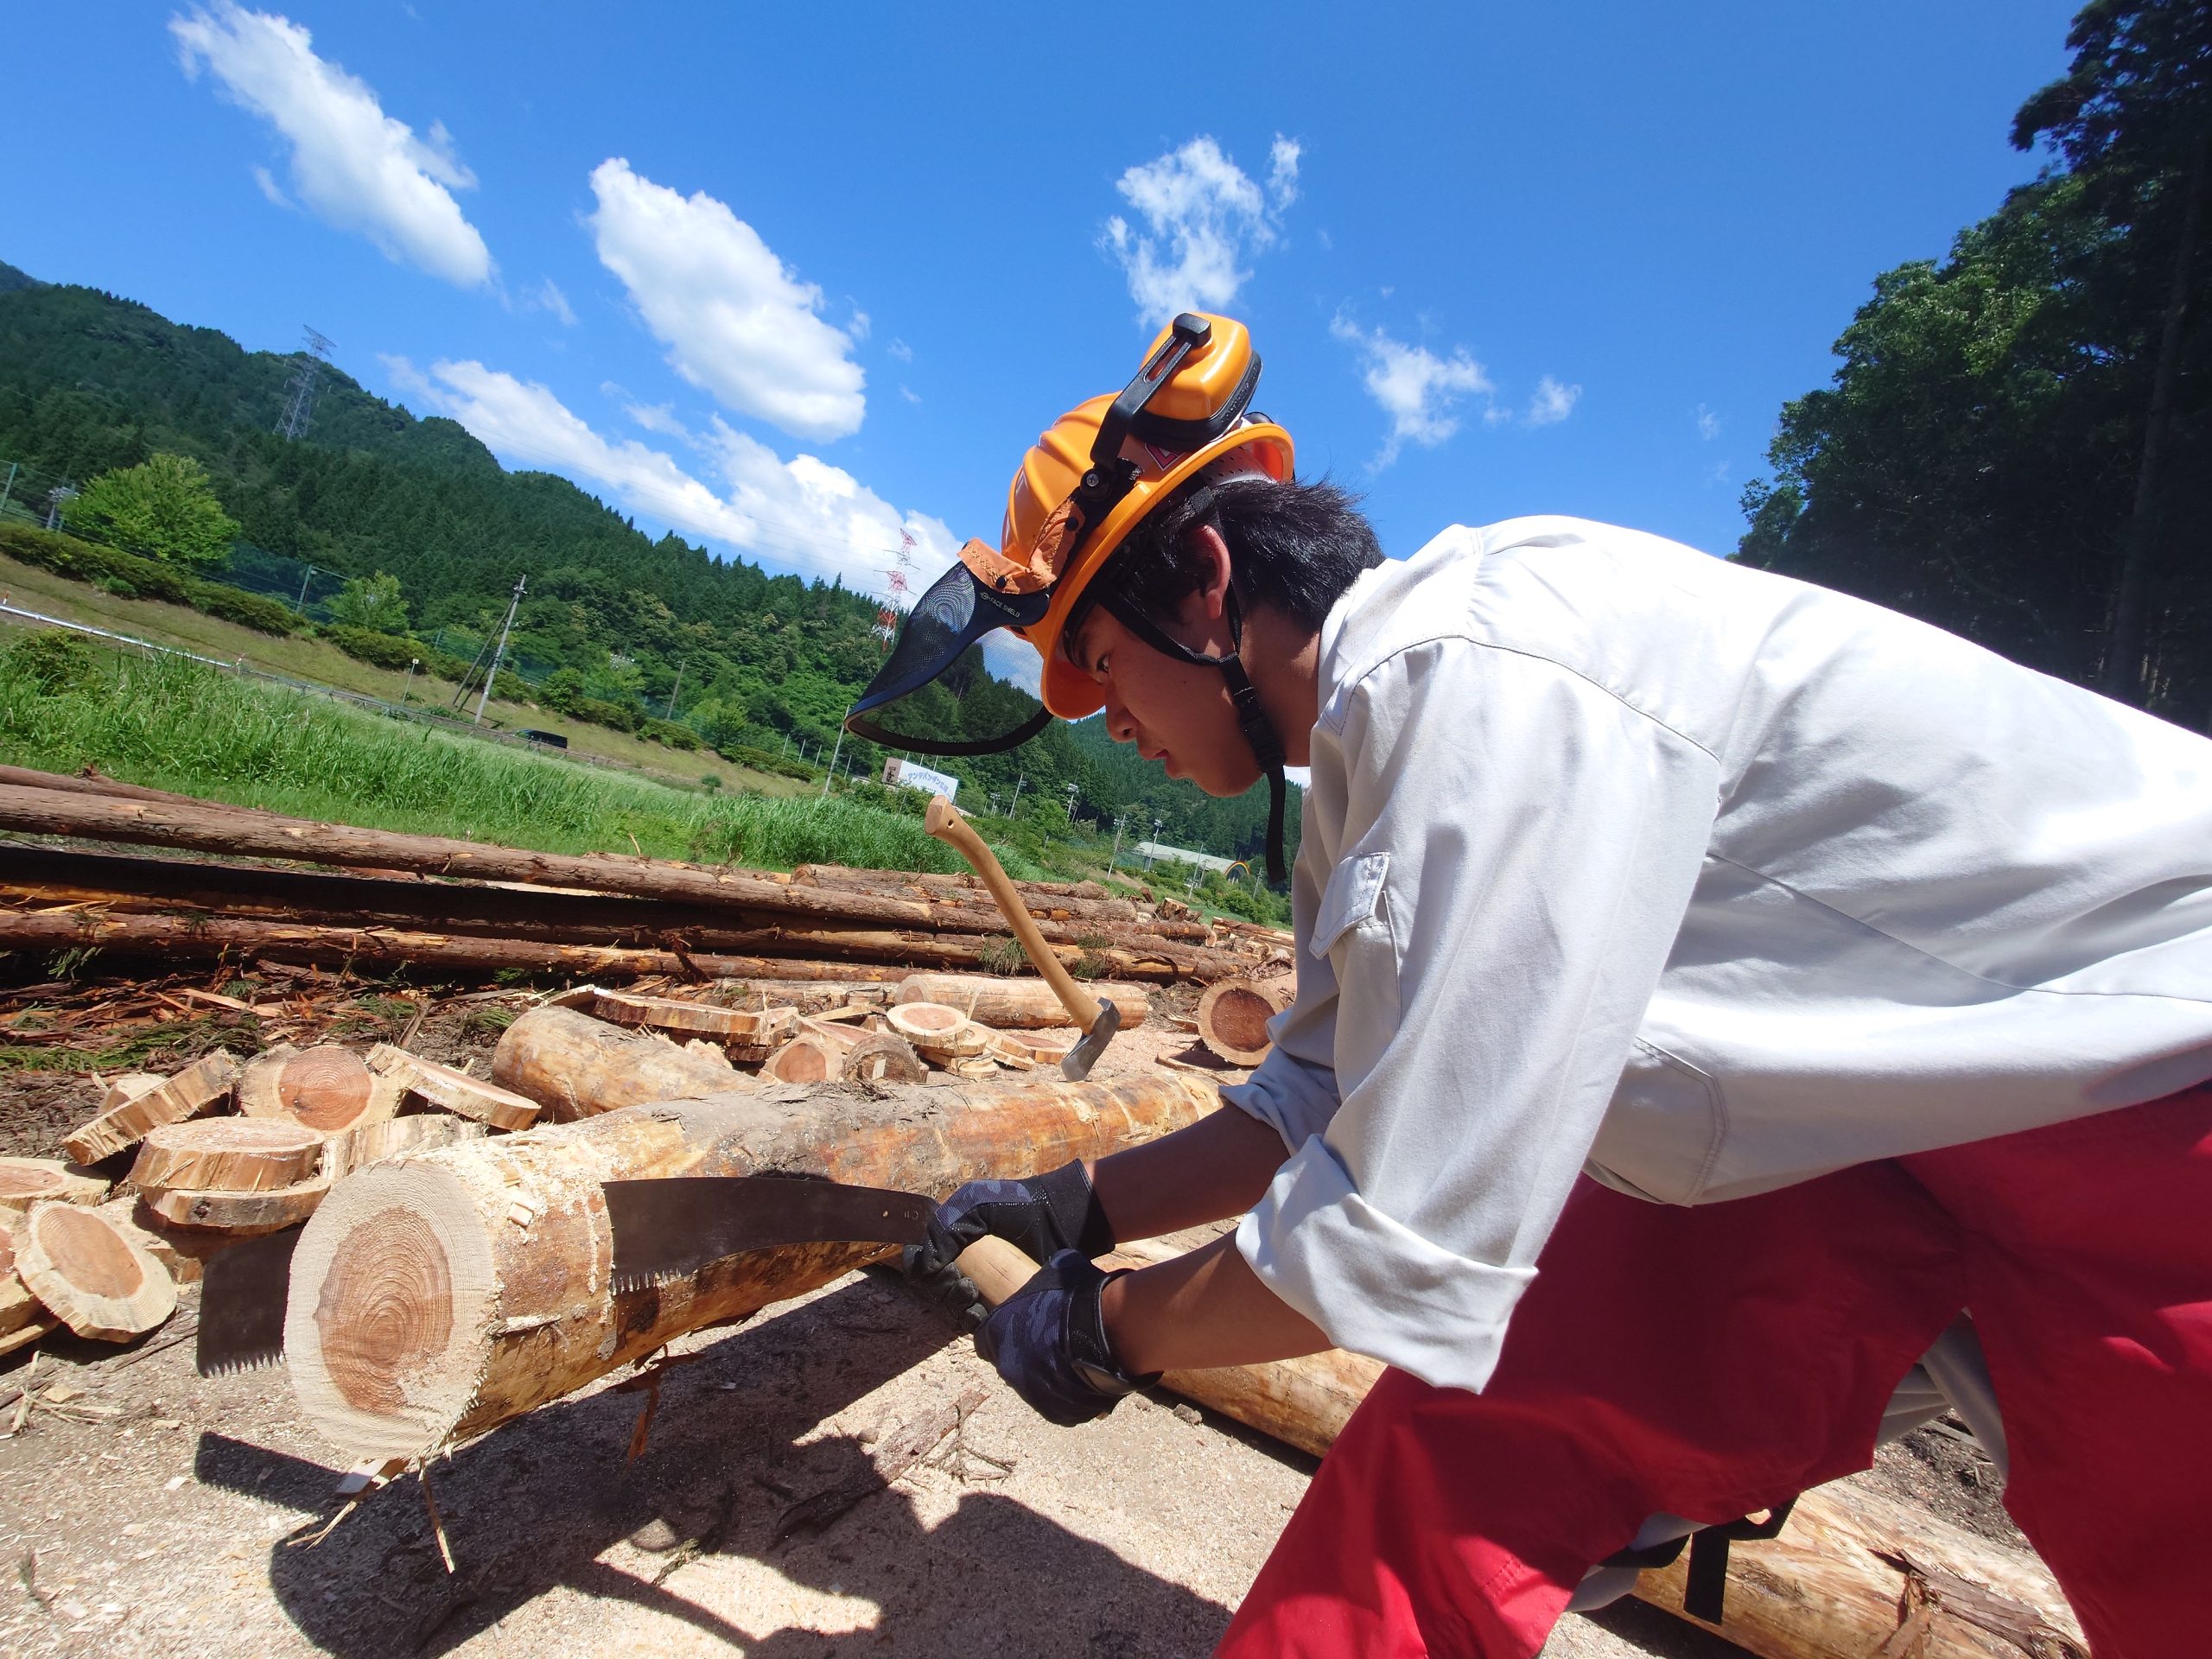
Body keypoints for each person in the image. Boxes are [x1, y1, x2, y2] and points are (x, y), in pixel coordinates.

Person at [852, 312, 2212, 1657]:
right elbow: (1312, 1101)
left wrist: (1112, 1326)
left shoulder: (1481, 678)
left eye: (1101, 667)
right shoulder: (1361, 766)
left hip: (2146, 1078)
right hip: (1841, 1110)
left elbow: (1393, 1231)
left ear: (1204, 579)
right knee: (1468, 1459)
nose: (1115, 723)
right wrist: (1072, 1206)